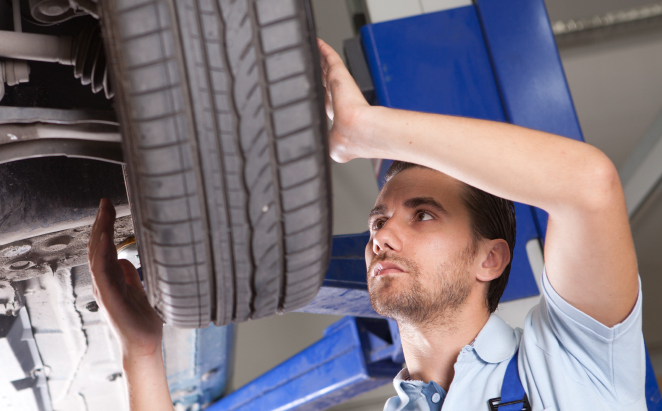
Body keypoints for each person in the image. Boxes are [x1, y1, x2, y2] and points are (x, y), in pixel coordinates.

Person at [86, 38, 644, 410]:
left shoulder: (574, 362)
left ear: (490, 258)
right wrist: (142, 353)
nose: (380, 236)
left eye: (422, 214)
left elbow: (589, 185)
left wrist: (368, 130)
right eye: (379, 219)